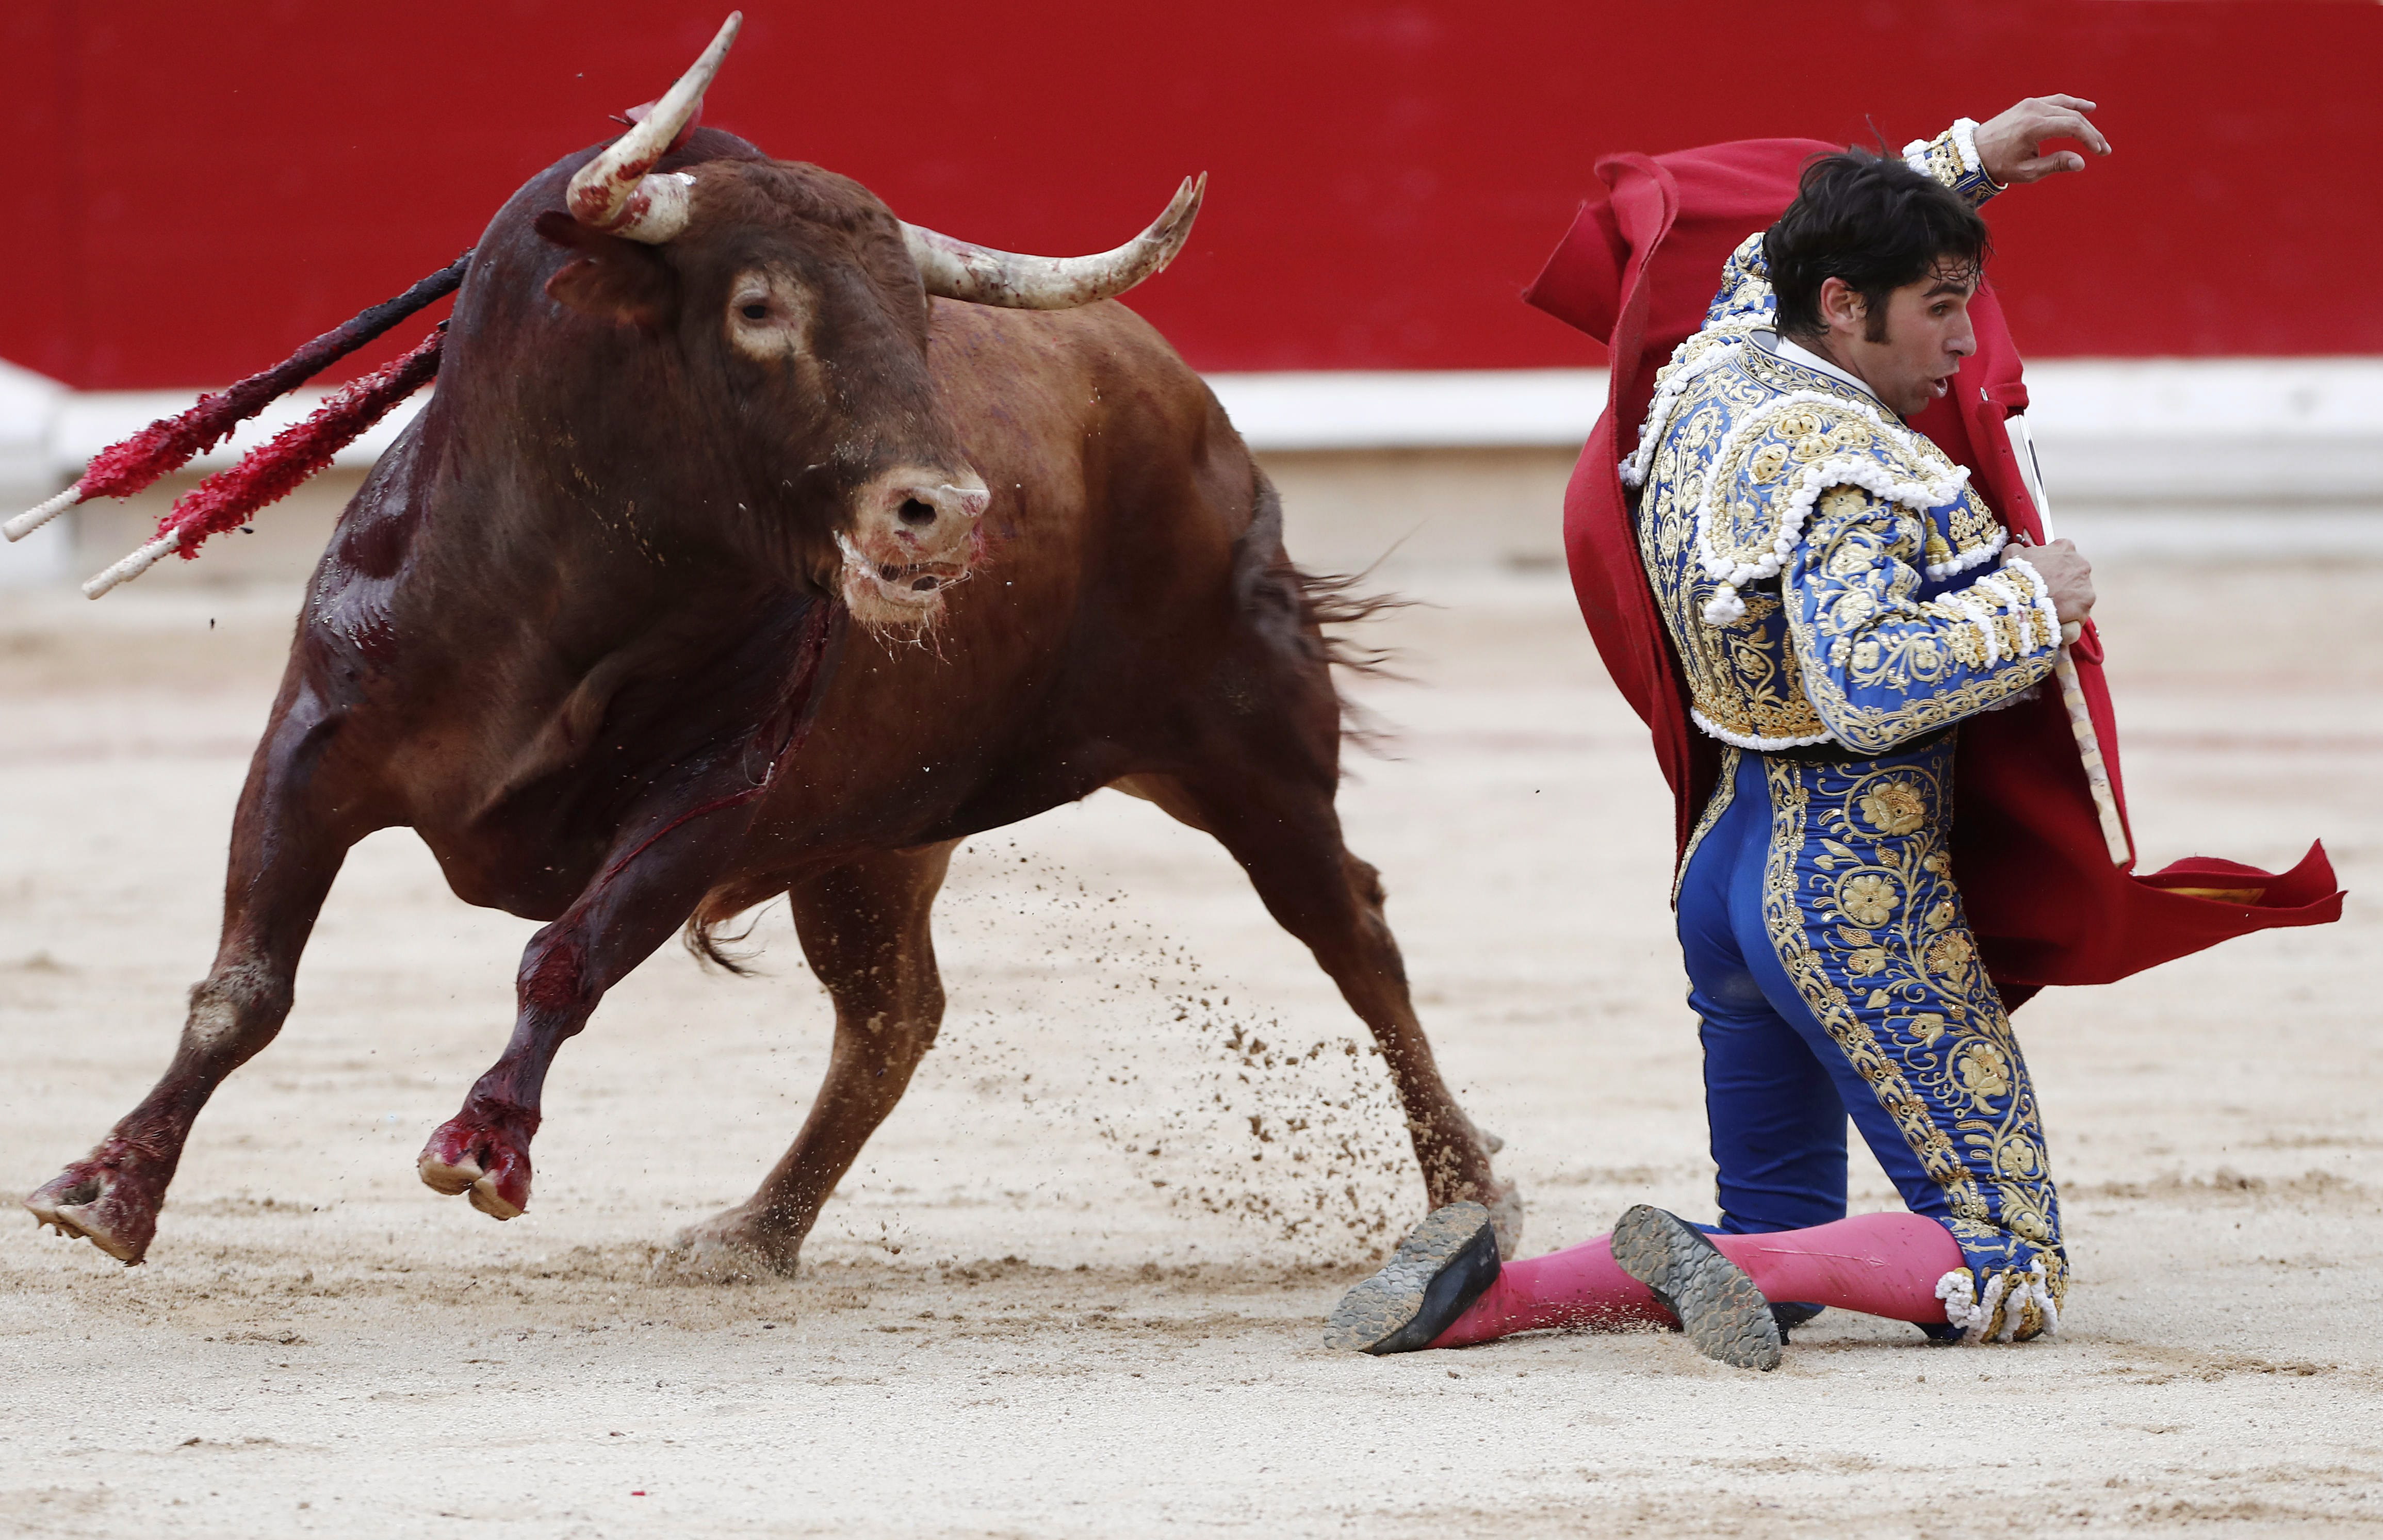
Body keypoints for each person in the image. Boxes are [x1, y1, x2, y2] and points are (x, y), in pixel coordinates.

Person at [1325, 97, 2126, 1368]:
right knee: (2009, 1253)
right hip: (1854, 889)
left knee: (1780, 1223)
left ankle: (1492, 1296)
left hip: (1728, 870)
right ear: (1849, 309)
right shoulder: (1853, 463)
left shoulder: (1725, 361)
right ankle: (1743, 1263)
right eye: (1940, 309)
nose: (1965, 344)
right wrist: (2034, 596)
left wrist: (1969, 163)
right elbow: (1869, 679)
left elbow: (1763, 249)